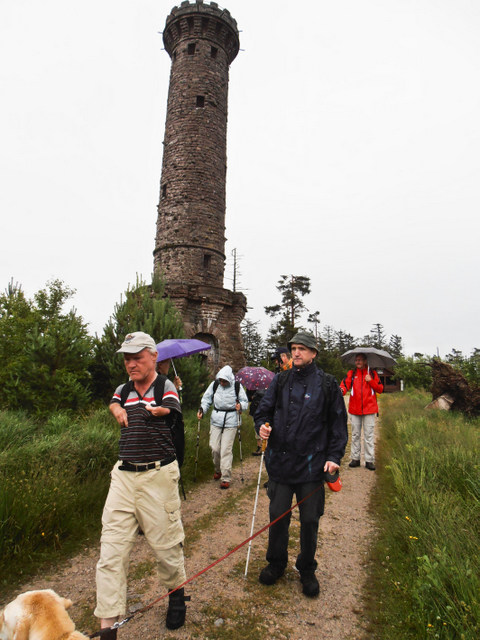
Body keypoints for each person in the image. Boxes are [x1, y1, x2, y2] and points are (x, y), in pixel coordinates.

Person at [95, 332, 188, 638]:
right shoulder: (123, 389)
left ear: (153, 357)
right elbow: (113, 403)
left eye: (137, 358)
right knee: (110, 554)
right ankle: (108, 630)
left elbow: (173, 408)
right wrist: (117, 409)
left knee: (166, 547)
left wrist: (160, 411)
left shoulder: (165, 386)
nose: (131, 364)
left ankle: (176, 594)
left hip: (157, 475)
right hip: (123, 475)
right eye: (127, 359)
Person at [254, 331, 348, 597]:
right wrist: (262, 426)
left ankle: (307, 569)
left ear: (313, 353)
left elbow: (338, 425)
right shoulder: (280, 380)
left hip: (312, 466)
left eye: (302, 349)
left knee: (309, 519)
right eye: (293, 348)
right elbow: (263, 411)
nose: (296, 352)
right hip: (281, 464)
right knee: (278, 516)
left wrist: (334, 457)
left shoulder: (328, 384)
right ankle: (276, 563)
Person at [197, 365, 248, 489]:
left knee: (226, 449)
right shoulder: (215, 385)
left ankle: (225, 477)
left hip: (231, 420)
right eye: (220, 380)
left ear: (229, 379)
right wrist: (202, 409)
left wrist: (240, 406)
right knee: (214, 447)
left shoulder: (237, 386)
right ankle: (218, 469)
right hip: (216, 419)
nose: (222, 383)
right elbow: (206, 399)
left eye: (224, 381)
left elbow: (245, 401)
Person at [340, 353, 383, 471]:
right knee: (355, 435)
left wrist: (371, 381)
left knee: (368, 436)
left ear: (365, 361)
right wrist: (340, 391)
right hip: (354, 409)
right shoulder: (352, 373)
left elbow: (380, 389)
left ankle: (369, 460)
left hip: (370, 409)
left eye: (360, 360)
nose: (357, 362)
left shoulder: (372, 374)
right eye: (356, 360)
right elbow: (344, 385)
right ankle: (355, 459)